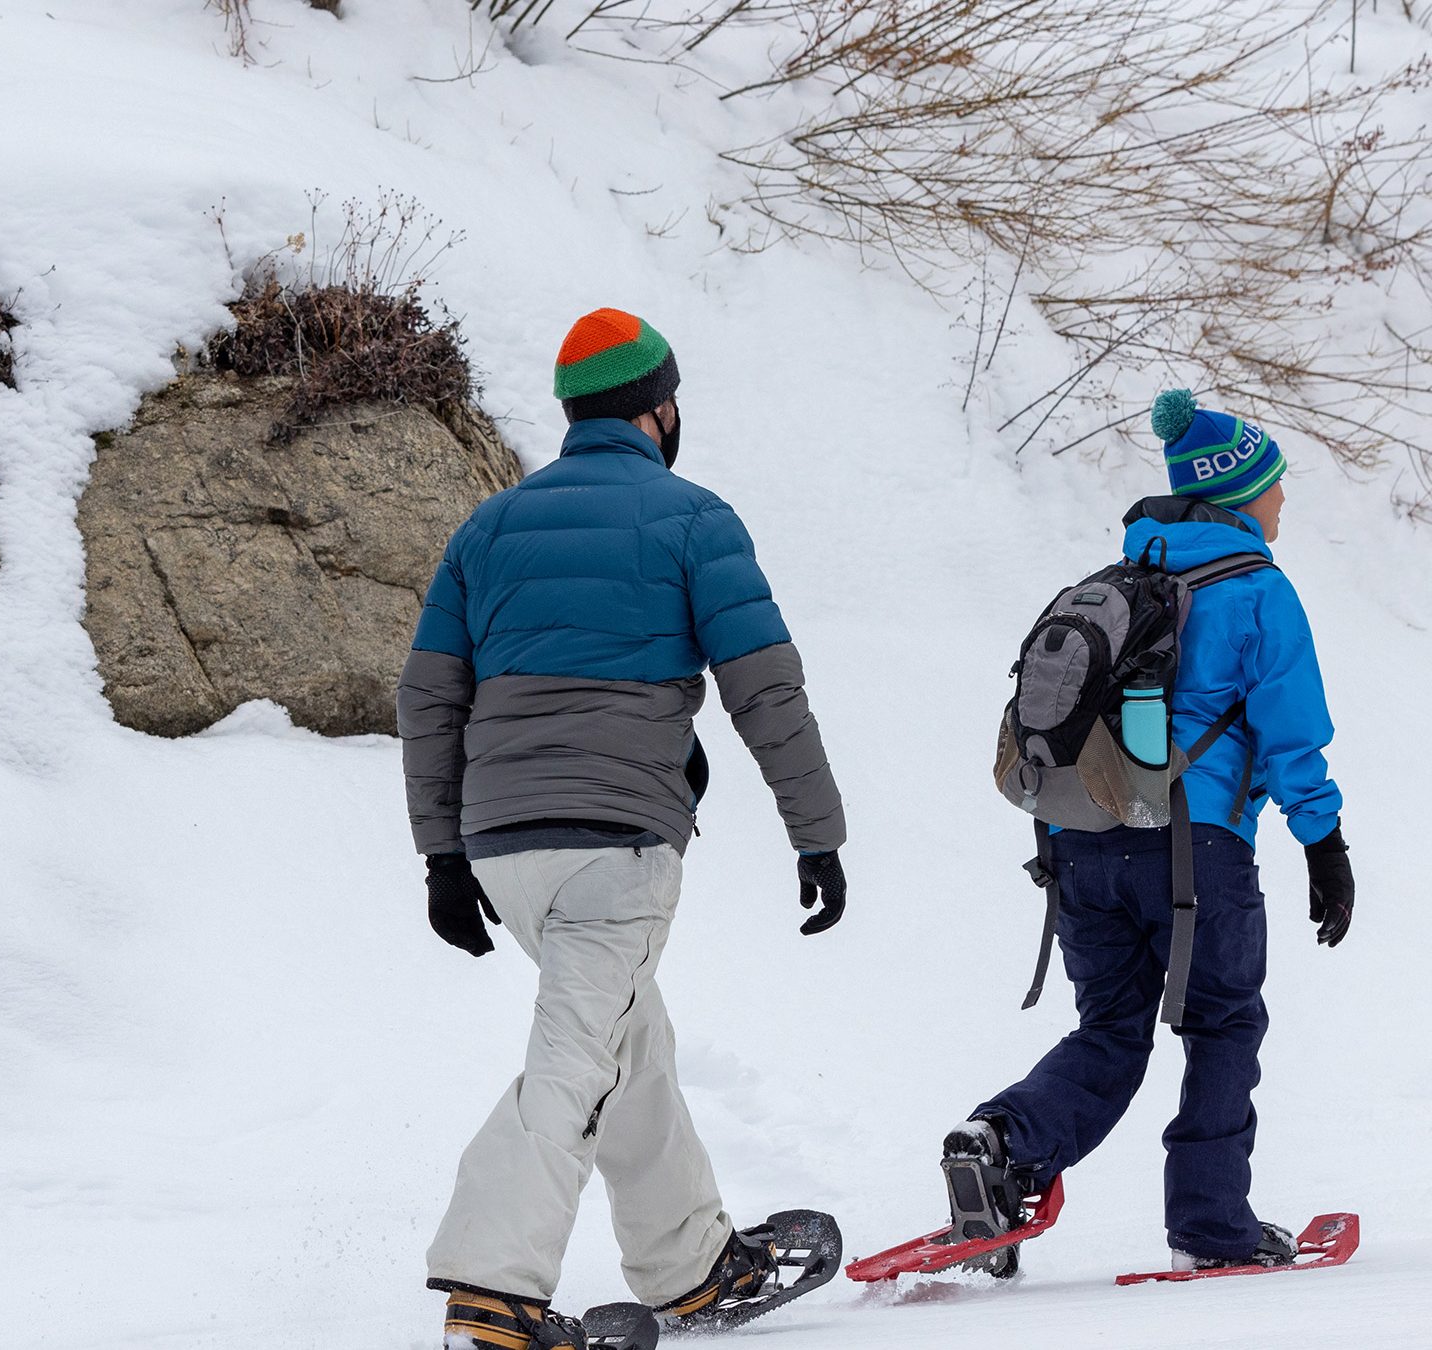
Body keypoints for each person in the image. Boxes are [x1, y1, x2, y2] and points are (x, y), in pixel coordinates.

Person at [396, 308, 849, 1349]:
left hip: (506, 849)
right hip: (617, 845)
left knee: (626, 1045)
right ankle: (491, 1297)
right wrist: (815, 833)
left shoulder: (490, 528)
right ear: (662, 407)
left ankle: (690, 1269)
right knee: (575, 1058)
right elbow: (765, 692)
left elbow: (428, 700)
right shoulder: (692, 519)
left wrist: (441, 856)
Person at [943, 390, 1354, 1273]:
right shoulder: (1257, 592)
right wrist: (1324, 844)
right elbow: (1292, 736)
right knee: (1222, 1024)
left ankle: (1001, 1143)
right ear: (1239, 494)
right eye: (1276, 486)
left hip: (1080, 841)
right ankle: (1212, 1225)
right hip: (1194, 848)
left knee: (1112, 1027)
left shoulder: (1117, 581)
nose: (1284, 502)